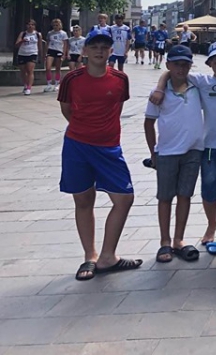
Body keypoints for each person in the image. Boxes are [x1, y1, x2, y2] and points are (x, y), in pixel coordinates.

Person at [150, 41, 216, 255]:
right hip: (209, 145)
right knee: (209, 190)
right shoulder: (202, 81)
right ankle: (212, 224)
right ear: (209, 64)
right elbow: (171, 72)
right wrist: (160, 87)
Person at [57, 28, 142, 280]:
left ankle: (108, 256)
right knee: (84, 200)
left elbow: (116, 107)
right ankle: (90, 255)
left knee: (124, 198)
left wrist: (103, 131)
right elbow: (67, 109)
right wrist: (85, 129)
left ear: (111, 51)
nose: (99, 51)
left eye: (104, 47)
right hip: (77, 146)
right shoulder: (72, 79)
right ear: (84, 51)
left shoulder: (120, 79)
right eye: (94, 46)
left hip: (109, 147)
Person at [144, 45, 204, 264]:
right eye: (176, 64)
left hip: (193, 150)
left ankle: (179, 238)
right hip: (167, 151)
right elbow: (148, 123)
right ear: (168, 64)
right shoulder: (158, 93)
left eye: (185, 64)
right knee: (165, 197)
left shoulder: (197, 87)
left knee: (185, 195)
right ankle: (165, 240)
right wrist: (153, 152)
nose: (181, 68)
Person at [15, 19, 43, 96]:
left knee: (30, 70)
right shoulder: (23, 34)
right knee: (23, 71)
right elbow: (16, 44)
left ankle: (29, 88)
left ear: (34, 26)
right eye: (29, 24)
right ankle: (25, 84)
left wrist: (41, 55)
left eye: (32, 25)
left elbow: (40, 45)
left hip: (32, 53)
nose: (30, 26)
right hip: (22, 53)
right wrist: (22, 41)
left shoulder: (38, 34)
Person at [44, 18, 67, 92]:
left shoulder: (63, 33)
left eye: (57, 25)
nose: (55, 27)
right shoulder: (50, 33)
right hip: (51, 50)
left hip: (59, 50)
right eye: (54, 25)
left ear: (60, 25)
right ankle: (49, 84)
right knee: (48, 68)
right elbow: (47, 43)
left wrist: (64, 54)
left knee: (58, 68)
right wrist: (45, 53)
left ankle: (57, 84)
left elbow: (65, 44)